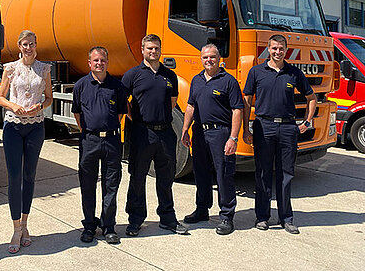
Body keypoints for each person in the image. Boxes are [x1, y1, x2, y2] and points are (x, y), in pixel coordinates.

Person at [243, 34, 316, 235]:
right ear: (268, 49)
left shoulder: (293, 73)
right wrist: (245, 129)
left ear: (286, 50)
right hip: (263, 127)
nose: (277, 52)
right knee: (263, 173)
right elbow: (247, 101)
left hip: (287, 129)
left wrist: (307, 122)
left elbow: (311, 98)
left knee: (286, 174)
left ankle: (287, 218)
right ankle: (262, 217)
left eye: (281, 48)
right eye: (274, 48)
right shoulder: (256, 71)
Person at [121, 34, 188, 237]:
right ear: (142, 50)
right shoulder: (132, 75)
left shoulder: (170, 75)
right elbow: (123, 101)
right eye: (149, 48)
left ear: (160, 50)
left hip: (166, 133)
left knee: (166, 179)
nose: (153, 51)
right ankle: (135, 220)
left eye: (156, 48)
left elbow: (173, 101)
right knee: (138, 177)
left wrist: (161, 117)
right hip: (143, 133)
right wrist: (138, 120)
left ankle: (168, 219)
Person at [0, 30, 53, 254]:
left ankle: (26, 225)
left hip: (35, 127)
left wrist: (40, 106)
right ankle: (15, 228)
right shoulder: (10, 68)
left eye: (31, 44)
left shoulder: (44, 69)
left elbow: (49, 97)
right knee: (14, 177)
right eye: (24, 44)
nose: (28, 47)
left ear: (36, 45)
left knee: (29, 176)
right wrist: (13, 106)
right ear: (19, 46)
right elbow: (0, 97)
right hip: (13, 126)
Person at [181, 44, 243, 235]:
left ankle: (226, 216)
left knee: (223, 174)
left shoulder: (229, 81)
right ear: (201, 59)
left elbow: (237, 110)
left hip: (220, 134)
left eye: (212, 57)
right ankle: (202, 210)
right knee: (201, 173)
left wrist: (233, 138)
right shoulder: (197, 80)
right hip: (199, 133)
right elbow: (191, 106)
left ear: (219, 58)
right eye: (205, 57)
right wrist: (185, 130)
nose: (208, 60)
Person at [72, 46, 128, 244]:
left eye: (102, 60)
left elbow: (121, 113)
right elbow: (77, 112)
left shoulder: (117, 86)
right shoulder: (80, 85)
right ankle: (89, 225)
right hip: (90, 141)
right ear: (89, 63)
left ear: (107, 62)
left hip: (112, 141)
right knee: (87, 184)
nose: (99, 63)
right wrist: (89, 132)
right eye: (95, 60)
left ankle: (109, 226)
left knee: (111, 184)